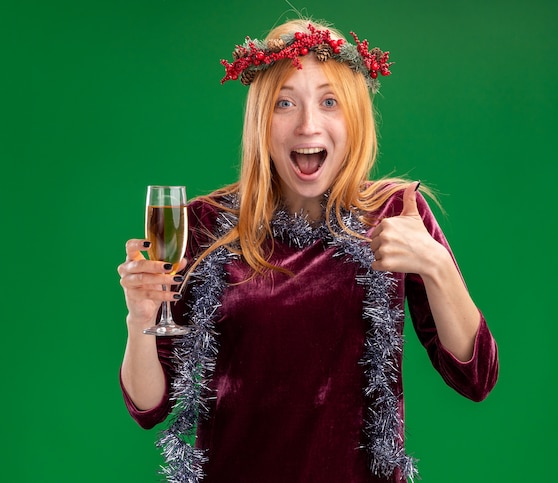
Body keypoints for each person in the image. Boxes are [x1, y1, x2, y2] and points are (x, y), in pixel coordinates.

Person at [118, 18, 499, 483]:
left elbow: (475, 377)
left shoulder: (397, 213)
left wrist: (437, 265)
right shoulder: (203, 225)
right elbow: (149, 406)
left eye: (329, 101)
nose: (307, 124)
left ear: (355, 116)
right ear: (261, 119)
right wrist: (141, 318)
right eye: (285, 103)